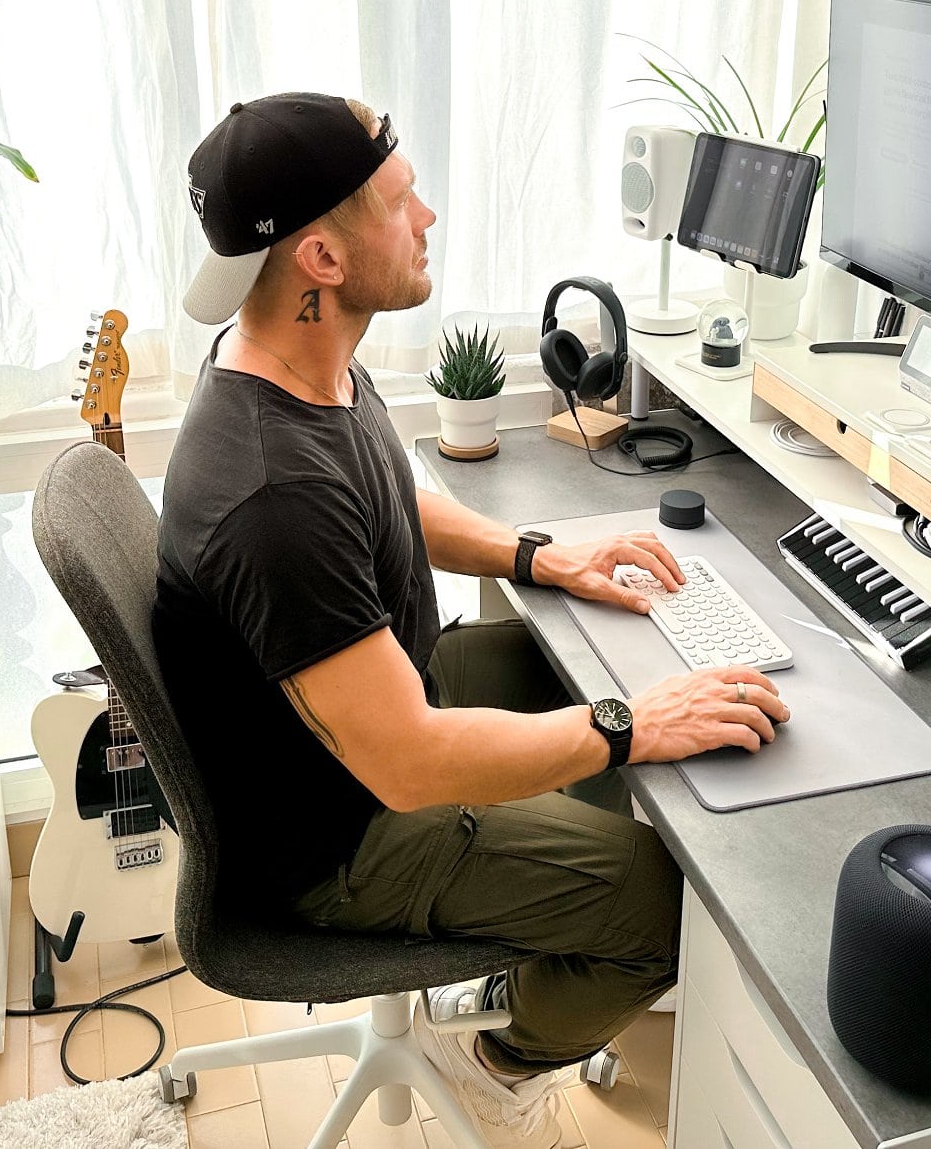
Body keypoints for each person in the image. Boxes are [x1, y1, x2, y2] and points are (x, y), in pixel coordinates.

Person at [154, 93, 790, 1147]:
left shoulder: (289, 351)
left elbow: (384, 496)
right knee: (670, 906)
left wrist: (542, 554)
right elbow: (406, 763)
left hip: (363, 721)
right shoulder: (268, 493)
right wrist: (631, 723)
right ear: (319, 257)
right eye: (402, 203)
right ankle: (496, 1063)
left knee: (593, 666)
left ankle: (517, 939)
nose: (430, 218)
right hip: (340, 835)